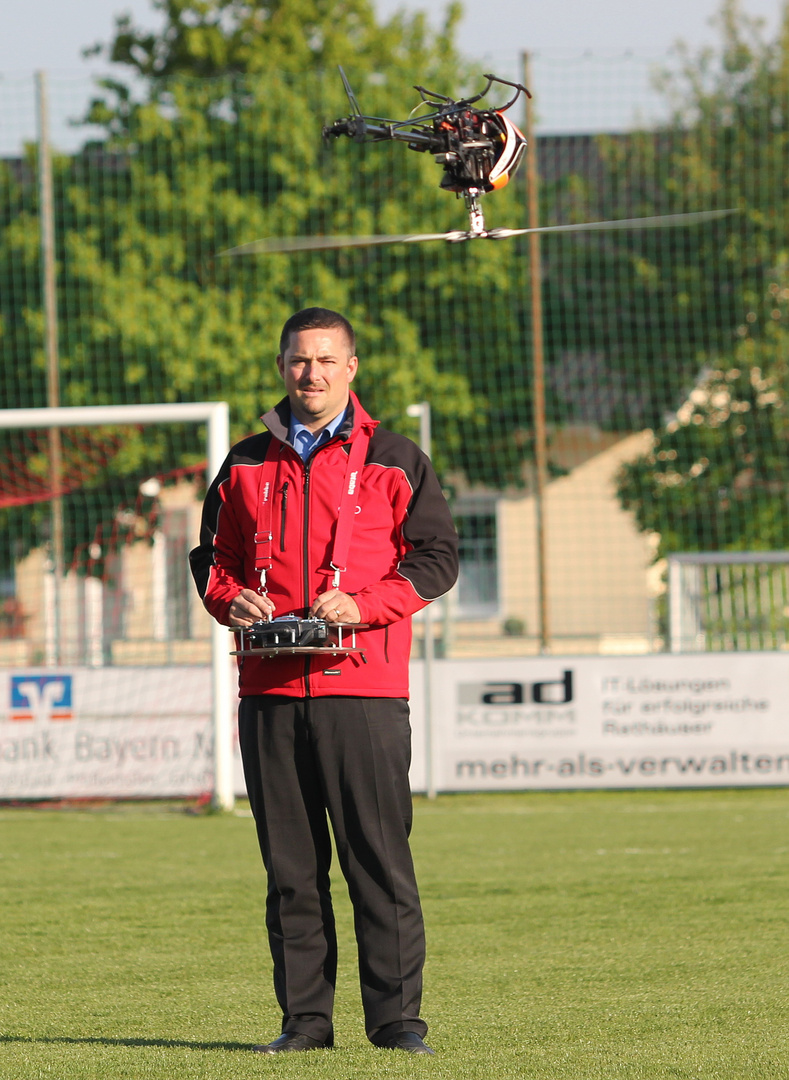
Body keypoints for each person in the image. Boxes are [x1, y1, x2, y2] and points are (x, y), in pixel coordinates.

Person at [189, 307, 458, 1055]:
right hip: (270, 695)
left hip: (363, 692)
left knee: (378, 861)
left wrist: (364, 603)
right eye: (297, 361)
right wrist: (229, 598)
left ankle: (397, 1022)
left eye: (325, 360)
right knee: (290, 872)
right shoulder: (242, 462)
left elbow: (436, 559)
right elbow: (211, 559)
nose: (310, 373)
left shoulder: (397, 457)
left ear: (351, 368)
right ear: (281, 367)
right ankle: (304, 1022)